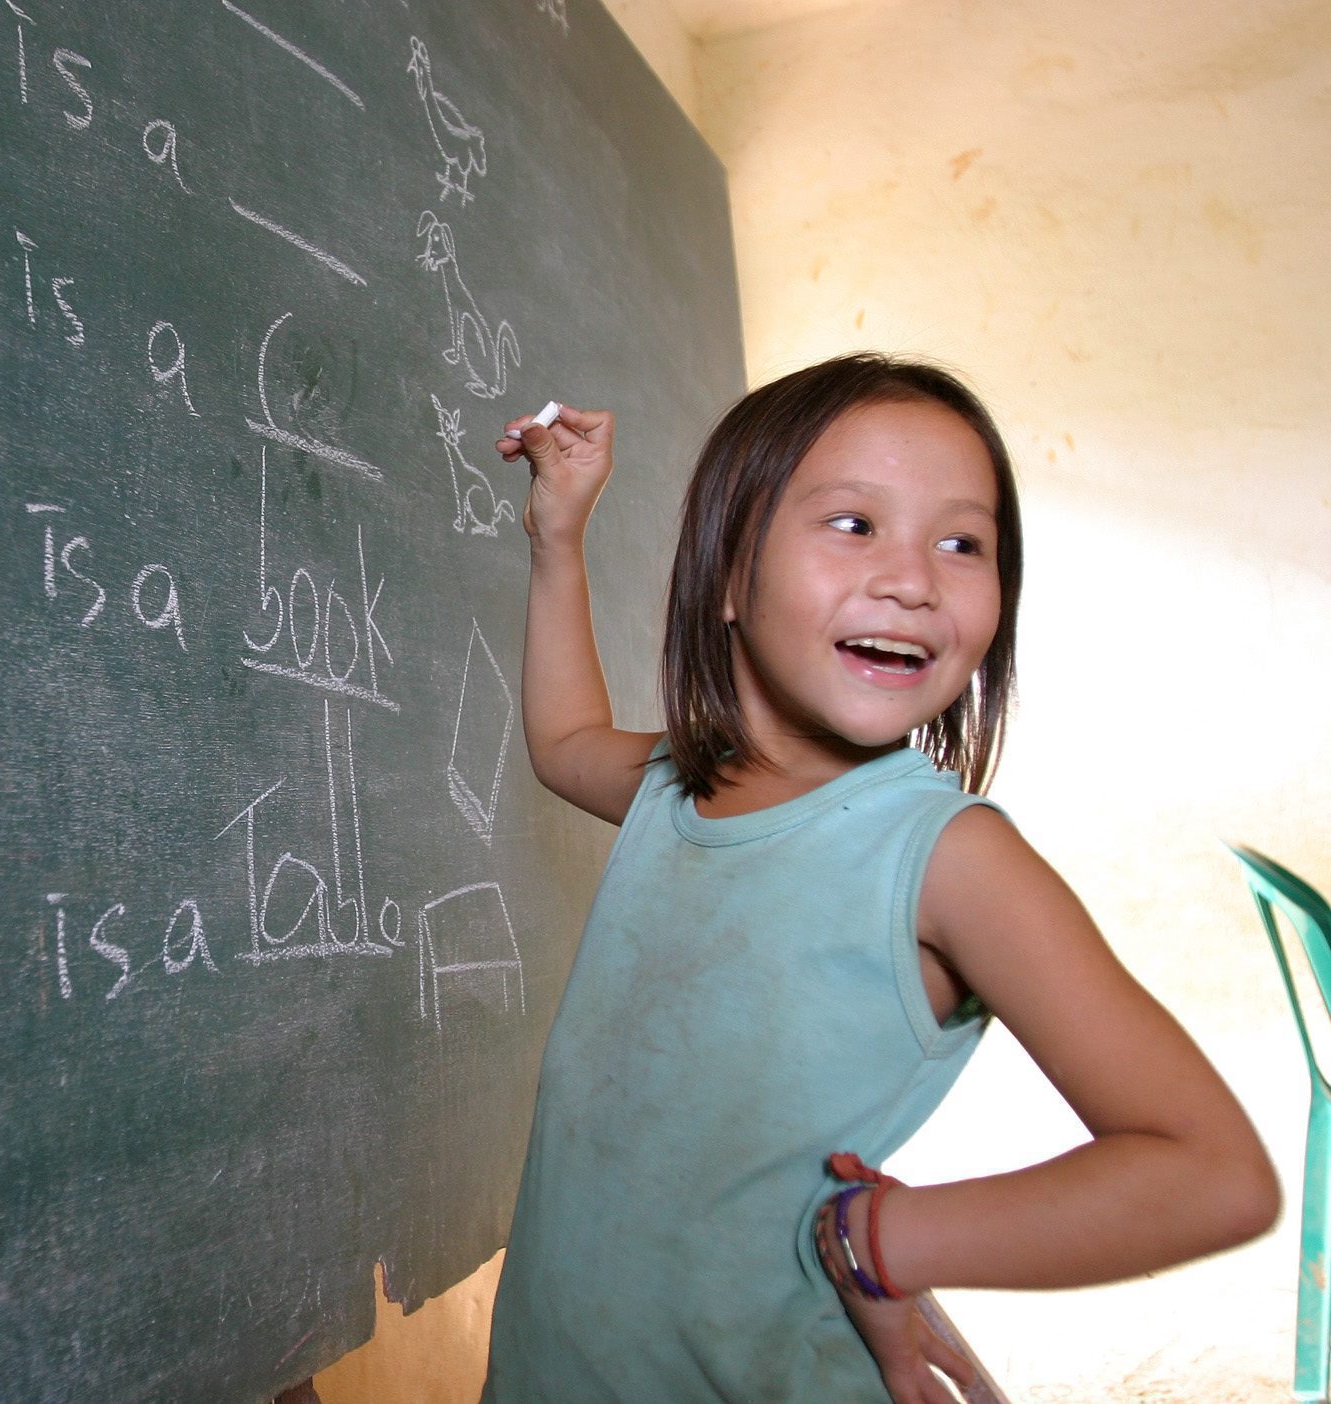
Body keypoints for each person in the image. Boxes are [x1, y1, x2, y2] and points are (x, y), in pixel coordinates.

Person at [477, 354, 1279, 1403]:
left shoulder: (948, 859)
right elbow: (565, 737)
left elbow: (1210, 1172)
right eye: (853, 524)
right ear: (725, 575)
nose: (912, 579)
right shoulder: (677, 786)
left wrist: (890, 1237)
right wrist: (557, 537)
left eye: (962, 542)